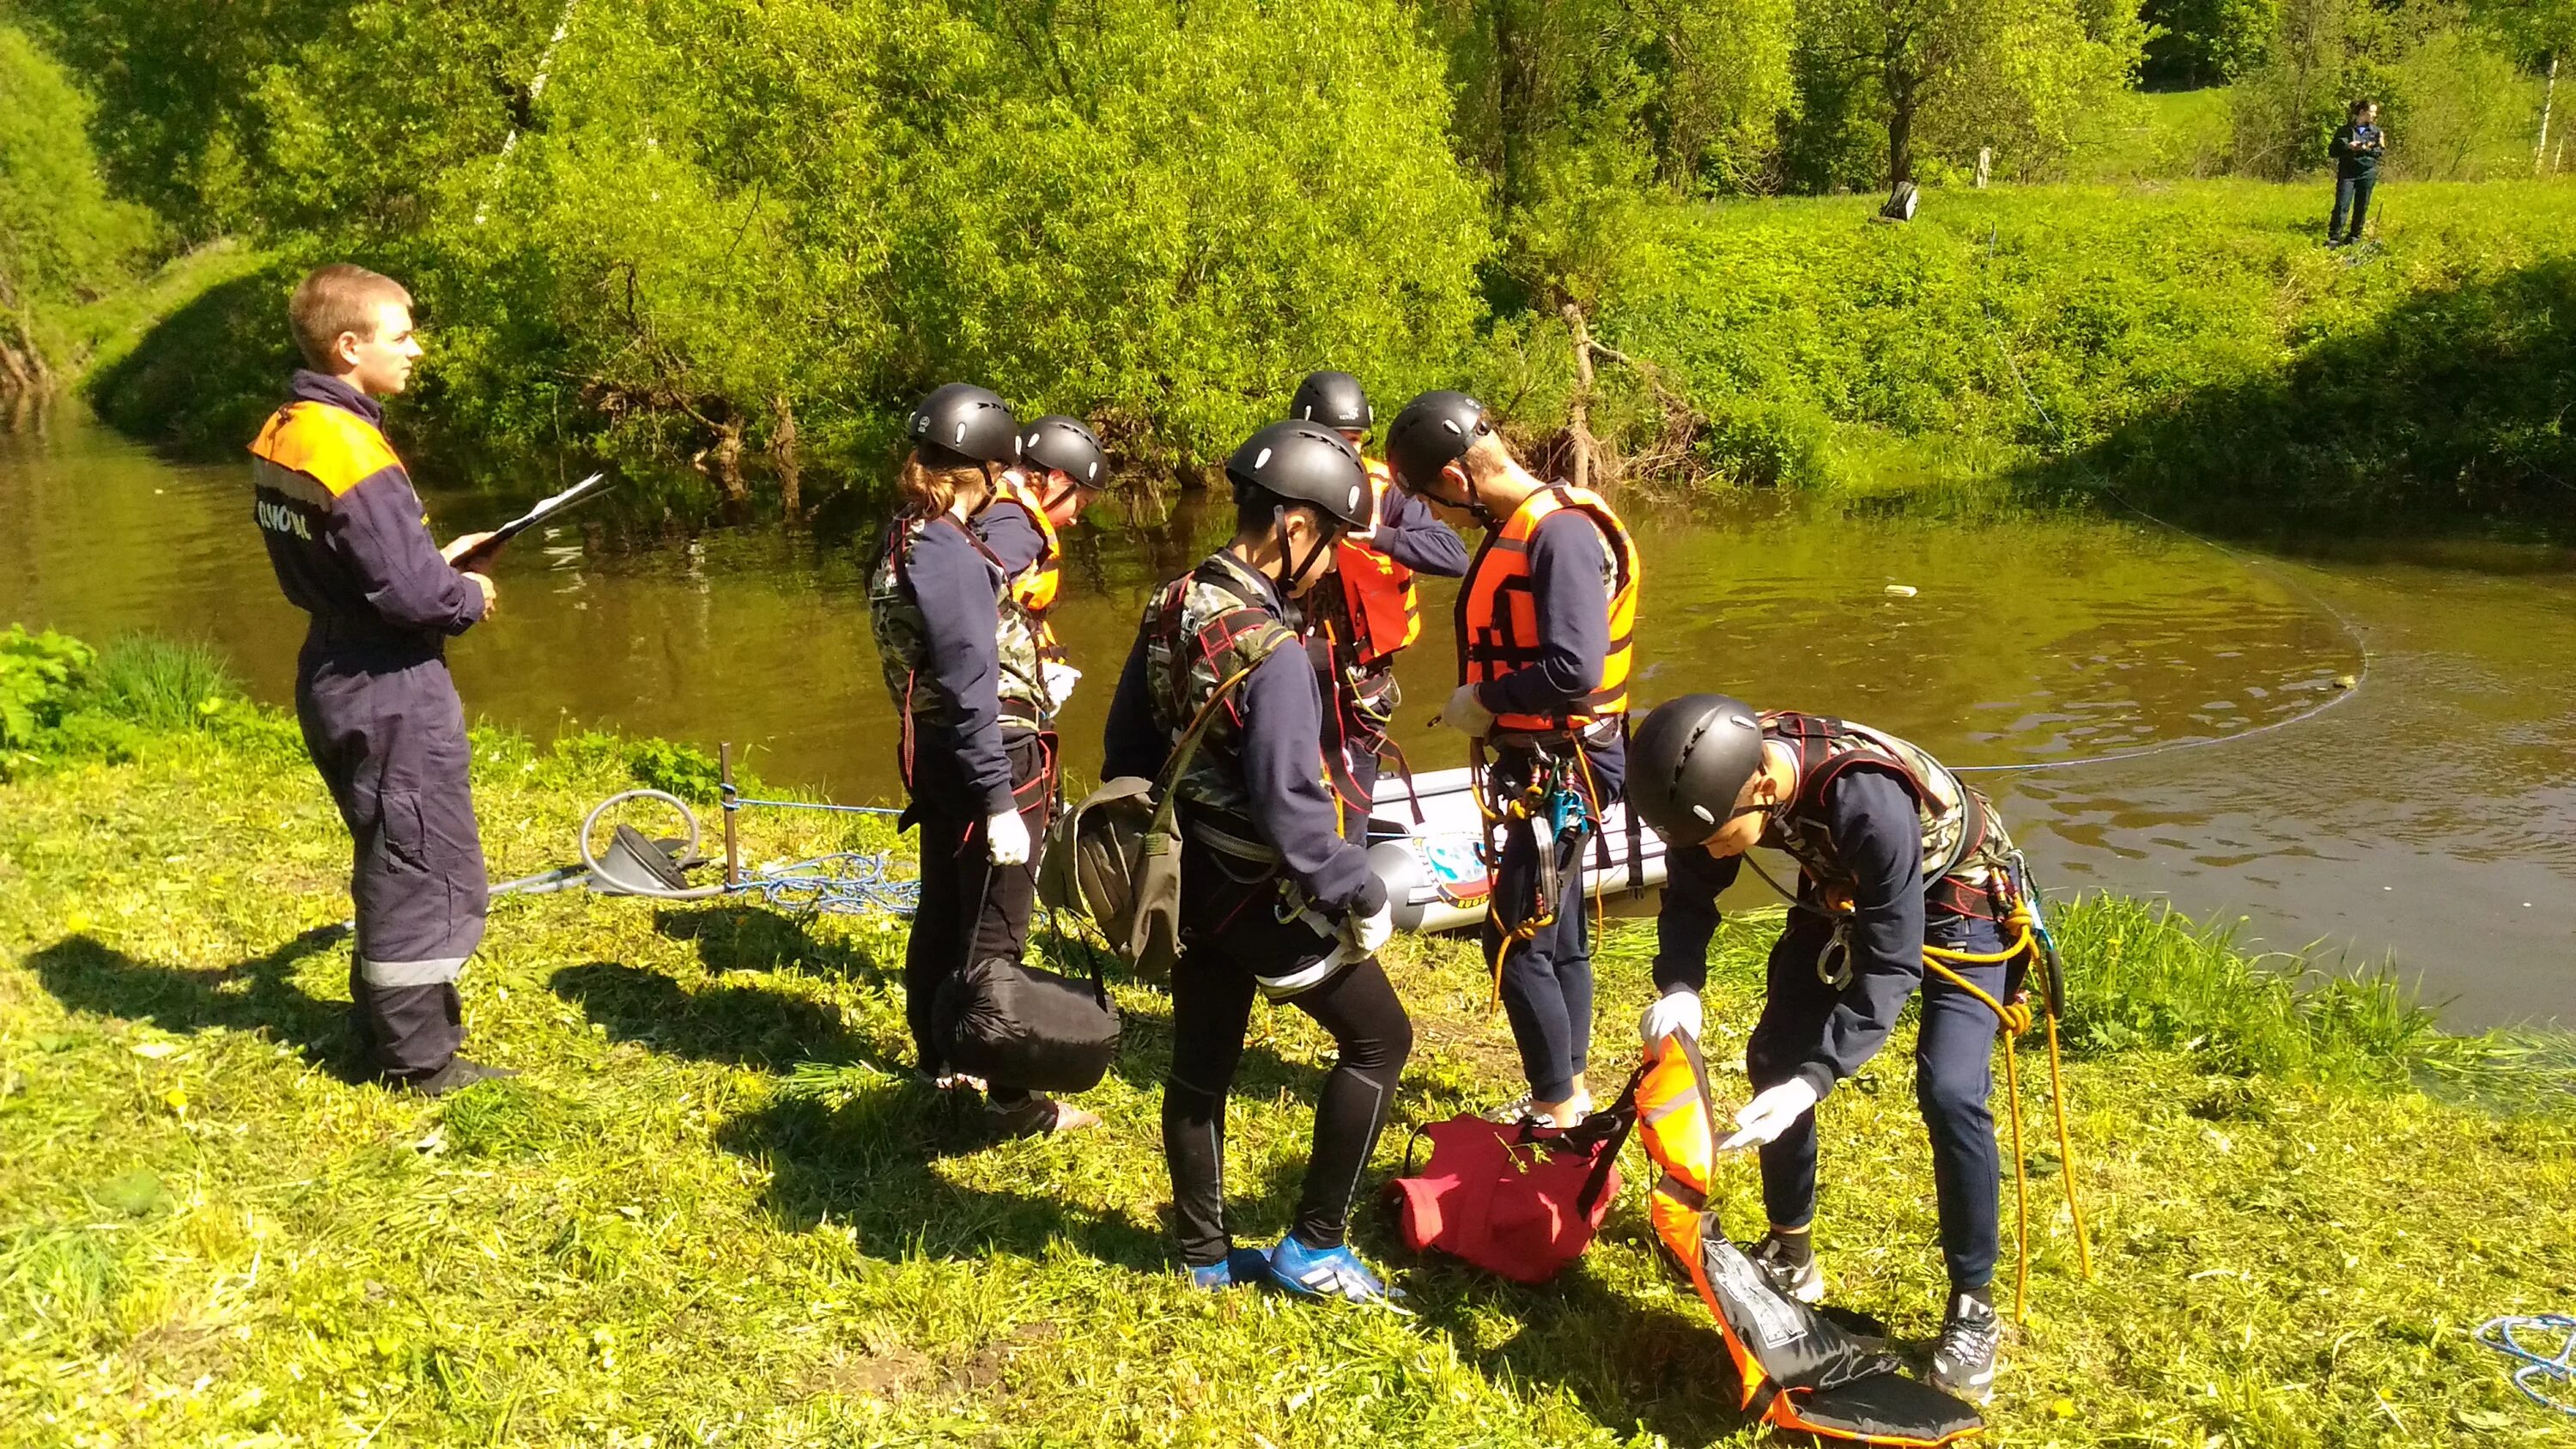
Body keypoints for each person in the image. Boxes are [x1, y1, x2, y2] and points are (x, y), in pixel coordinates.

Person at [1625, 694, 2033, 1404]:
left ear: (1762, 785)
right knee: (1771, 1056)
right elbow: (1691, 895)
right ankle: (1792, 1250)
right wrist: (1681, 984)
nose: (1719, 849)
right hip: (1844, 886)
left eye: (1724, 834)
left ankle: (1974, 1303)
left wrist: (1818, 1076)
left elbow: (1892, 964)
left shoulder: (1864, 802)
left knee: (1952, 1090)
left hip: (1959, 897)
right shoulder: (1720, 780)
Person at [1103, 420, 1411, 1301]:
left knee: (1201, 1065)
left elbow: (1125, 749)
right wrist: (1360, 889)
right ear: (1296, 528)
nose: (1333, 564)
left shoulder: (1171, 602)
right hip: (1259, 894)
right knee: (1382, 1039)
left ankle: (1202, 1256)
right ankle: (1315, 1245)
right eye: (1334, 542)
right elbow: (1295, 816)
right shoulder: (1273, 653)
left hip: (1183, 885)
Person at [248, 263, 509, 1097]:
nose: (417, 349)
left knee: (387, 848)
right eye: (402, 336)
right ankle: (419, 1062)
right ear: (350, 345)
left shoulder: (287, 429)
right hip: (388, 682)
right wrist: (464, 591)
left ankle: (381, 1024)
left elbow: (354, 564)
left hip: (331, 662)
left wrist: (428, 561)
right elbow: (409, 594)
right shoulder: (349, 444)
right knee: (420, 863)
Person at [1383, 390, 1638, 1131]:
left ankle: (1556, 1104)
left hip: (1562, 766)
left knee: (1514, 934)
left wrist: (1486, 701)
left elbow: (1575, 669)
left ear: (1458, 481)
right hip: (1554, 759)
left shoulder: (1557, 537)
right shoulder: (1536, 524)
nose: (1446, 518)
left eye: (1438, 502)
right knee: (1556, 930)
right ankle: (1571, 1084)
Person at [868, 383, 1097, 1138]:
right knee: (999, 927)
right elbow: (970, 681)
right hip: (993, 752)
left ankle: (939, 1059)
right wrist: (1001, 801)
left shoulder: (902, 533)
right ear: (990, 471)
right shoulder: (948, 551)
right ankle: (1012, 1100)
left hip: (936, 749)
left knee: (943, 909)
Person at [1286, 370, 1468, 830]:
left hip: (1363, 677)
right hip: (1296, 671)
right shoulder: (1278, 487)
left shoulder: (1384, 494)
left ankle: (1350, 858)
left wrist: (1378, 536)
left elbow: (1454, 556)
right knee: (1295, 778)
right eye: (1337, 440)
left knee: (1355, 782)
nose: (1347, 452)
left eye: (1355, 440)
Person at [977, 414, 1109, 709]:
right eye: (1081, 503)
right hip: (1000, 711)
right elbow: (974, 609)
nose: (1075, 519)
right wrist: (1036, 675)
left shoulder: (992, 506)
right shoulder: (1014, 527)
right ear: (1059, 479)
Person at [2328, 99, 2385, 247]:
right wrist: (2348, 147)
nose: (2374, 115)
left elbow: (2379, 152)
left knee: (2362, 206)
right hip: (2348, 172)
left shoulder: (2376, 132)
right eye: (2372, 111)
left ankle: (2354, 237)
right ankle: (2334, 238)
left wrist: (2365, 148)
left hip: (2367, 172)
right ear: (2362, 112)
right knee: (2342, 205)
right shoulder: (2344, 131)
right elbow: (2332, 151)